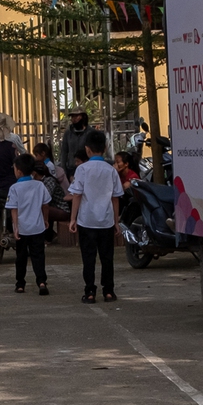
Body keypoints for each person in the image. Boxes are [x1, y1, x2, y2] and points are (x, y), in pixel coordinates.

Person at [67, 129, 122, 302]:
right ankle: (108, 291)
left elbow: (77, 195)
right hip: (105, 221)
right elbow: (115, 198)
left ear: (87, 149)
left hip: (86, 220)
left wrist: (72, 219)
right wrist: (116, 221)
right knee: (107, 258)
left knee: (88, 258)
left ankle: (90, 291)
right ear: (105, 148)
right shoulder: (111, 170)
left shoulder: (82, 169)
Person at [7, 153, 51, 295]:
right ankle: (42, 281)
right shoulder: (39, 185)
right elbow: (45, 205)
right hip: (37, 227)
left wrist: (15, 227)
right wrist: (45, 219)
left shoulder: (14, 188)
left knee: (21, 257)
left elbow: (14, 209)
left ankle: (20, 283)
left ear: (18, 171)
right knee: (38, 255)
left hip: (22, 228)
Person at [59, 107, 95, 177]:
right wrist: (63, 168)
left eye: (76, 116)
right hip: (71, 168)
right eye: (72, 117)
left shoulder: (90, 132)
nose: (74, 119)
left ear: (83, 117)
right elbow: (64, 151)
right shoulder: (68, 132)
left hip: (86, 168)